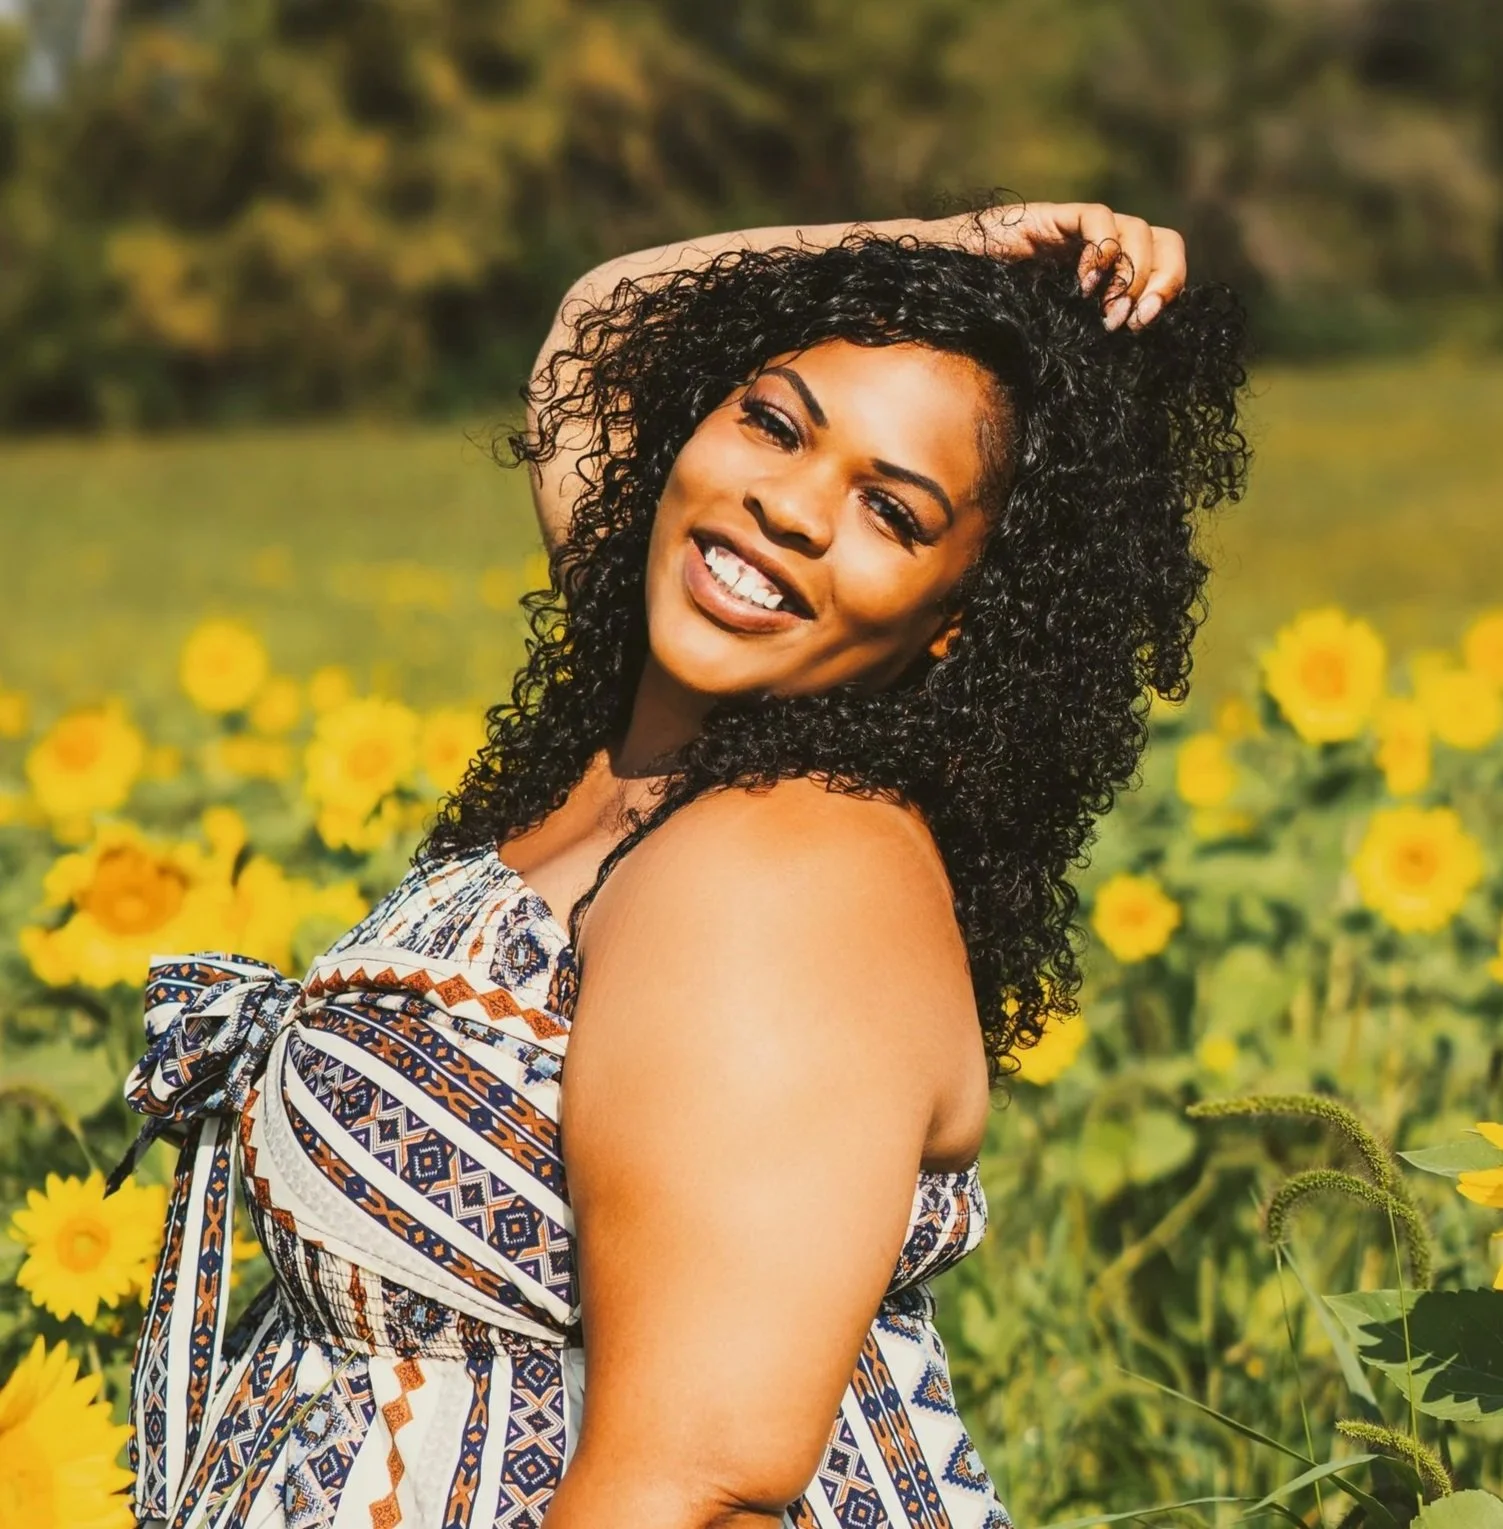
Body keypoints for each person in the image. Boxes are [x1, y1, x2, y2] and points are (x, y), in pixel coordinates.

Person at [115, 201, 1247, 1529]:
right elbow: (600, 339)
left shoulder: (782, 870)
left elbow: (695, 1485)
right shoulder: (643, 748)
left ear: (956, 620)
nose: (786, 508)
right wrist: (961, 247)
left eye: (889, 509)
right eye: (770, 423)